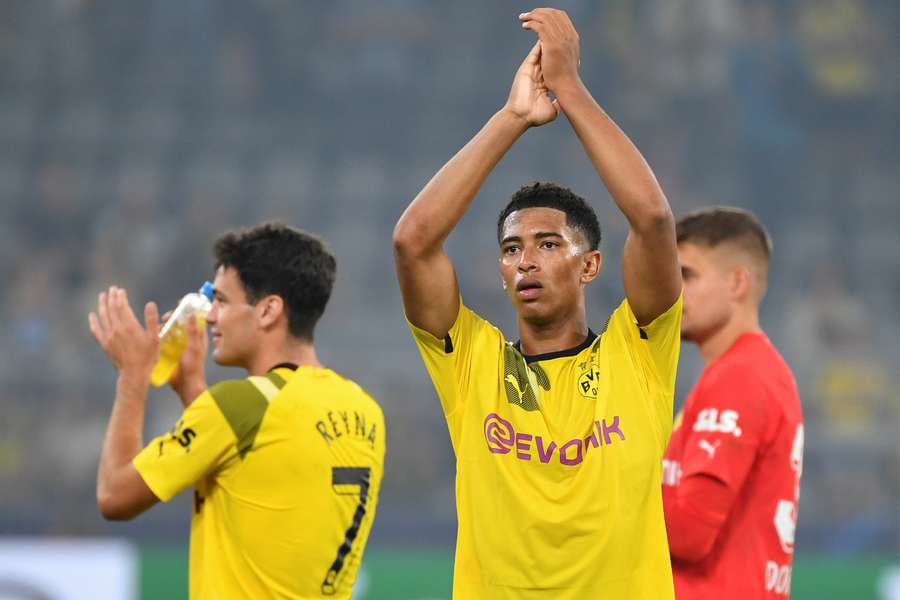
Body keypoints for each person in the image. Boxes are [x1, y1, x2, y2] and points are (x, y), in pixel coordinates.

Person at [393, 8, 682, 599]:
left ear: (590, 265)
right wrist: (512, 118)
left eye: (549, 245)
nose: (525, 260)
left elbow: (652, 220)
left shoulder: (639, 352)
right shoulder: (471, 362)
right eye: (511, 248)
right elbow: (412, 241)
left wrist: (570, 89)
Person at [88, 222, 385, 599]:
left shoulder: (239, 405)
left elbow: (114, 495)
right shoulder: (364, 409)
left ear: (268, 311)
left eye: (223, 301)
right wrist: (193, 388)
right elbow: (256, 474)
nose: (210, 316)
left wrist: (133, 377)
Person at [661, 208, 803, 598]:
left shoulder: (740, 378)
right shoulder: (748, 371)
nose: (673, 290)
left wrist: (604, 492)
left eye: (687, 275)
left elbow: (689, 533)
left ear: (737, 282)